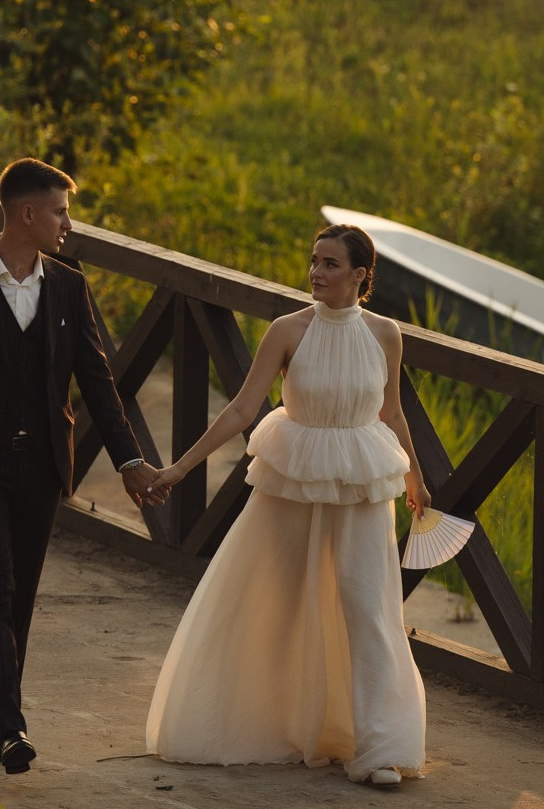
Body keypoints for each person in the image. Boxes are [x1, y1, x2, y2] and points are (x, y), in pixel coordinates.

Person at [0, 156, 167, 776]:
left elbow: (98, 382)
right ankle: (12, 727)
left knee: (18, 599)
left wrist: (130, 459)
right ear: (27, 213)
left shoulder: (70, 286)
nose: (68, 223)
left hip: (42, 468)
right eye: (60, 211)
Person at [146, 221, 430, 789]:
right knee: (273, 599)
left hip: (363, 481)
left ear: (360, 275)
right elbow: (241, 411)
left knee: (370, 611)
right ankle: (274, 724)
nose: (316, 273)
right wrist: (179, 467)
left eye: (330, 264)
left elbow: (393, 413)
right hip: (293, 476)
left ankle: (375, 749)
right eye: (314, 260)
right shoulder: (286, 330)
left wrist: (417, 480)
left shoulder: (385, 334)